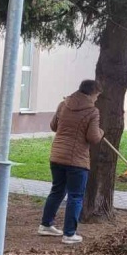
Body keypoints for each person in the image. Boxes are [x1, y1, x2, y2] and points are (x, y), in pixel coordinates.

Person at [39, 78, 104, 245]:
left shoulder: (63, 104)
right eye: (97, 96)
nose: (96, 99)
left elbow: (54, 126)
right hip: (77, 160)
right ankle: (69, 234)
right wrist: (101, 132)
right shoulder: (92, 111)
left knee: (57, 190)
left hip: (57, 156)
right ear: (93, 93)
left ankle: (46, 225)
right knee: (75, 196)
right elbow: (93, 137)